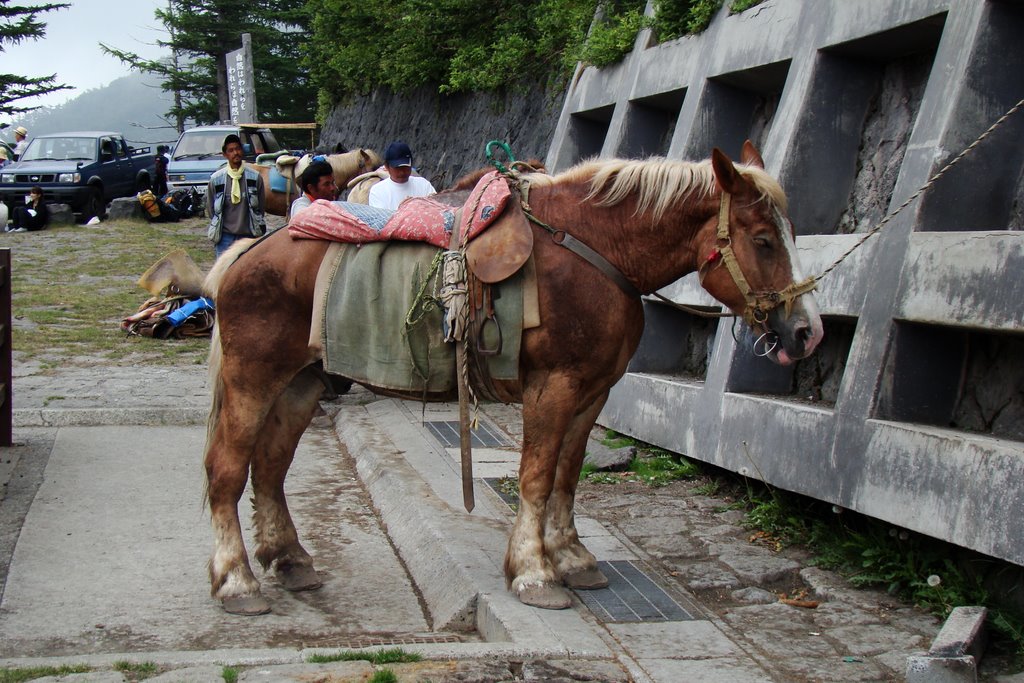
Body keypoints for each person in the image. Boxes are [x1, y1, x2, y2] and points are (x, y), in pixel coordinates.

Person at [207, 134, 266, 258]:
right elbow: (211, 210)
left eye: (238, 148)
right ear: (225, 155)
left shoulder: (254, 178)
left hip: (248, 235)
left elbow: (260, 208)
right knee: (224, 275)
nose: (235, 153)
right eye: (231, 150)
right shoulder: (216, 180)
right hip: (225, 238)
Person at [367, 141, 436, 210]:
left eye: (405, 167)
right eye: (397, 168)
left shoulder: (424, 185)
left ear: (411, 165)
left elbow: (436, 209)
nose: (402, 172)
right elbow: (380, 219)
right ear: (387, 167)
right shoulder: (378, 191)